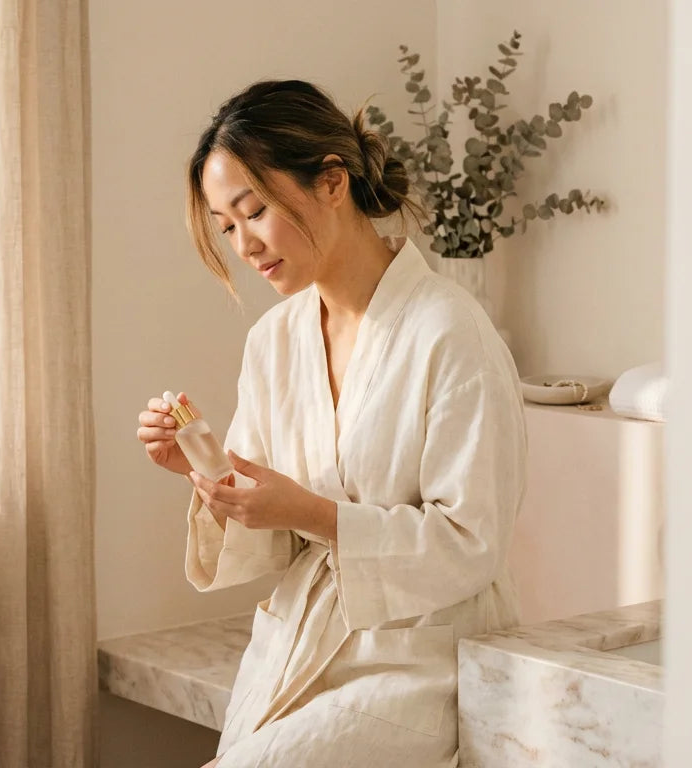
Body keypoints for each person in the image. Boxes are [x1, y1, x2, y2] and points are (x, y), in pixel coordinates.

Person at [134, 79, 527, 767]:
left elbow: (471, 541)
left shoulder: (448, 331)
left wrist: (316, 513)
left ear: (332, 181)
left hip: (417, 657)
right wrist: (202, 468)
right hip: (299, 641)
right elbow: (271, 528)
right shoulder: (275, 339)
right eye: (227, 228)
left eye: (253, 211)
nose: (245, 246)